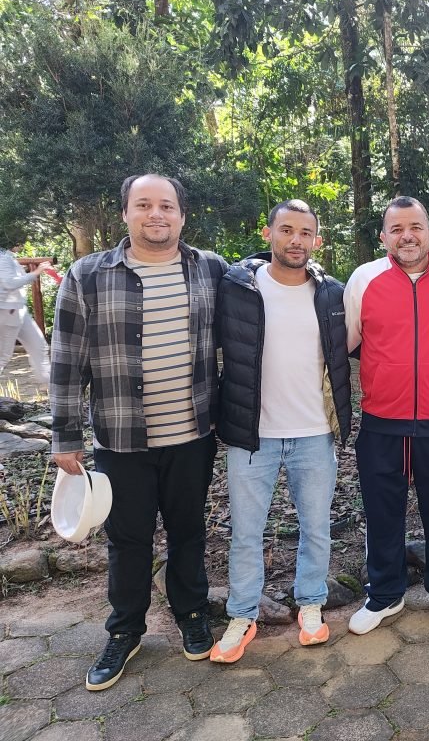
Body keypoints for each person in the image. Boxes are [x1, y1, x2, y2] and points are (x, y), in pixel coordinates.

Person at [50, 174, 227, 691]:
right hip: (121, 437)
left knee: (188, 531)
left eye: (166, 206)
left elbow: (258, 295)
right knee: (128, 540)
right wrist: (64, 436)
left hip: (192, 435)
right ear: (125, 213)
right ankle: (125, 631)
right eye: (144, 205)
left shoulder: (210, 269)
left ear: (182, 216)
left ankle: (192, 614)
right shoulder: (88, 275)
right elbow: (66, 361)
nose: (156, 214)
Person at [210, 200, 351, 663]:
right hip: (254, 435)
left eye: (305, 232)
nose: (296, 239)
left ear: (317, 240)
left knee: (316, 528)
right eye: (286, 229)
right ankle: (242, 614)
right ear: (268, 233)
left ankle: (310, 604)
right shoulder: (237, 288)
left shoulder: (332, 293)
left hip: (314, 433)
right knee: (246, 533)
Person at [344, 196, 429, 634]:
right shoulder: (364, 279)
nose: (407, 236)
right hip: (382, 422)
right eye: (396, 229)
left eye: (415, 227)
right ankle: (384, 594)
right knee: (382, 513)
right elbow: (348, 341)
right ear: (384, 237)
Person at [0, 240, 54, 384]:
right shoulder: (3, 258)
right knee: (2, 356)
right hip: (7, 311)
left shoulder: (7, 257)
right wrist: (36, 272)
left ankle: (50, 385)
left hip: (19, 311)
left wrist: (31, 272)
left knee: (39, 345)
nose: (22, 244)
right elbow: (9, 283)